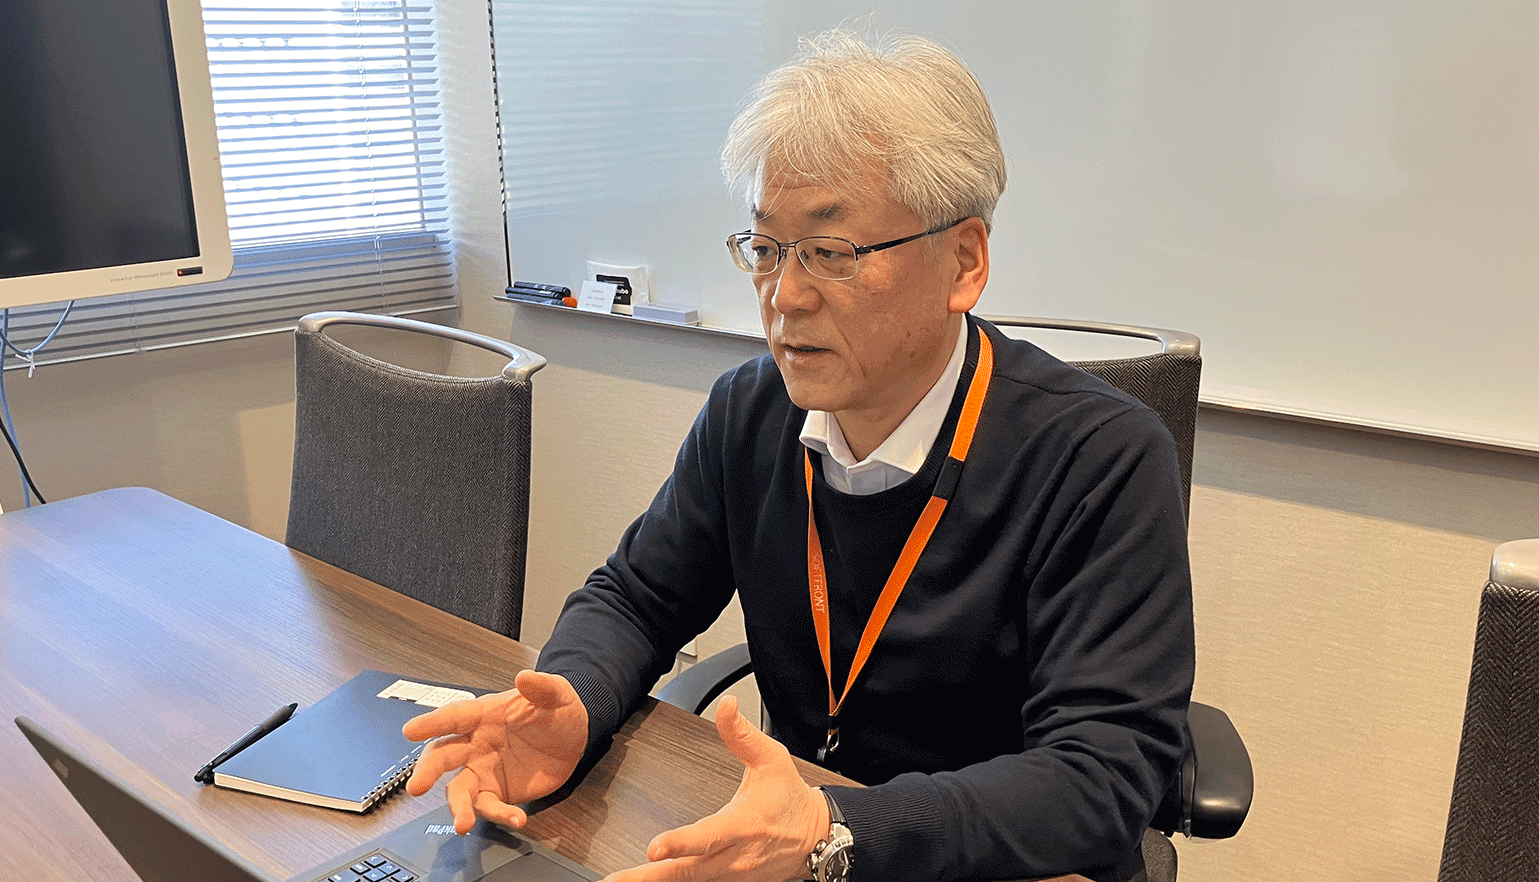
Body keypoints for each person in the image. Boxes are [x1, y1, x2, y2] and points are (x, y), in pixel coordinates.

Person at [404, 29, 1193, 882]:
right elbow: (637, 597)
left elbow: (1102, 776)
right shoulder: (751, 412)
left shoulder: (1099, 457)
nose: (784, 297)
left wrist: (836, 828)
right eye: (766, 249)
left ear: (964, 262)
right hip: (792, 846)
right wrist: (576, 700)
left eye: (831, 253)